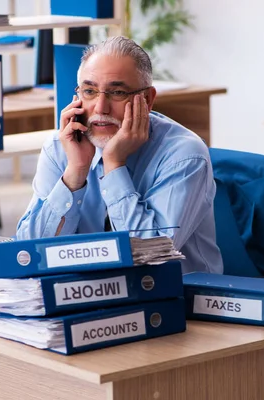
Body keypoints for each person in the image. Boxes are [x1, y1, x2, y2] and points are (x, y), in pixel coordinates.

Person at [16, 36, 223, 274]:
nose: (101, 107)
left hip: (175, 299)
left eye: (116, 92)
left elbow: (151, 259)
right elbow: (27, 254)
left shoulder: (185, 155)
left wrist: (113, 164)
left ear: (147, 99)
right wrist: (75, 172)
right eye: (90, 91)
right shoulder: (61, 146)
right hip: (87, 293)